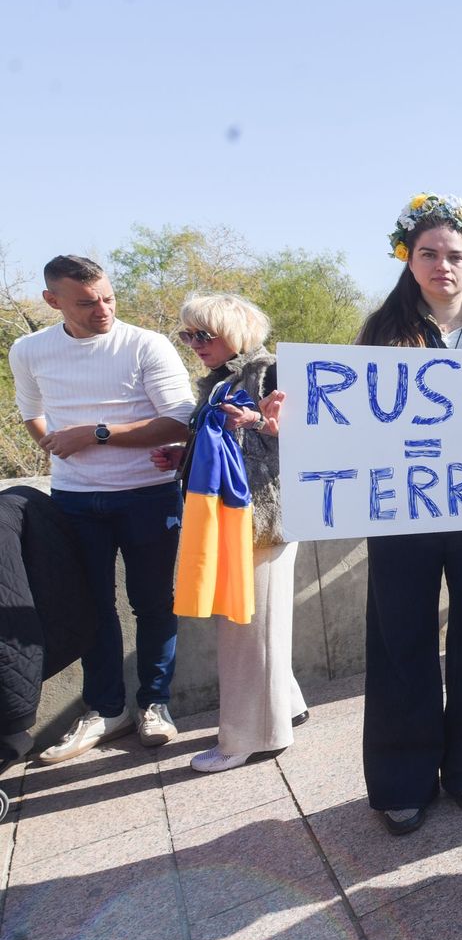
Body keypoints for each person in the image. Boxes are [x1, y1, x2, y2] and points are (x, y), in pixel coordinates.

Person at [355, 193, 462, 835]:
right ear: (408, 259)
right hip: (405, 511)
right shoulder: (381, 331)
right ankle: (403, 778)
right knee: (402, 643)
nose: (443, 266)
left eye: (455, 255)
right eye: (429, 254)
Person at [9, 254, 194, 763]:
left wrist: (95, 435)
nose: (103, 310)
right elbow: (32, 413)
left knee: (154, 602)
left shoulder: (145, 344)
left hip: (149, 493)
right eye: (88, 303)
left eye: (108, 298)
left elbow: (181, 421)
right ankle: (104, 709)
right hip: (72, 500)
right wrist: (57, 448)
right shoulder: (29, 350)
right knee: (90, 608)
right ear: (53, 301)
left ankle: (154, 704)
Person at [151, 294, 307, 772]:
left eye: (204, 334)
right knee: (254, 624)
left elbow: (317, 431)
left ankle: (254, 736)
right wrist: (186, 455)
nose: (195, 343)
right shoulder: (221, 381)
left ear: (235, 332)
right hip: (240, 518)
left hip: (263, 519)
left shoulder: (272, 371)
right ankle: (286, 705)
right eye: (188, 334)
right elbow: (229, 446)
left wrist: (260, 420)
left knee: (247, 628)